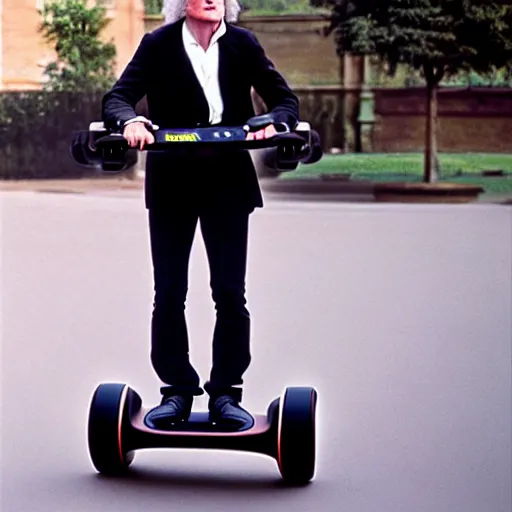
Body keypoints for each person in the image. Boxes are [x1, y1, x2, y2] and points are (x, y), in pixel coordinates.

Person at [101, 0, 299, 429]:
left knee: (230, 293)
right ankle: (176, 392)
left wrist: (273, 121)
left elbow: (286, 101)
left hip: (228, 181)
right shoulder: (159, 44)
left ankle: (226, 393)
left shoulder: (243, 44)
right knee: (169, 292)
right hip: (172, 181)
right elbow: (117, 98)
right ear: (180, 4)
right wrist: (130, 121)